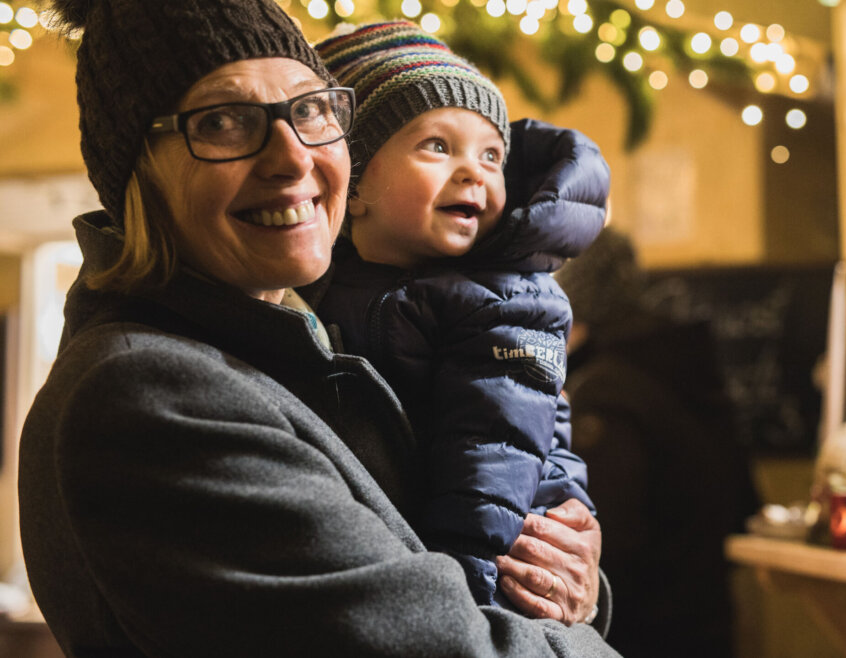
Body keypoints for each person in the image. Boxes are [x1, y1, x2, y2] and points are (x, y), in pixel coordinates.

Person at [18, 1, 616, 655]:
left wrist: (566, 582)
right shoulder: (148, 391)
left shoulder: (293, 339)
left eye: (309, 111)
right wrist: (567, 630)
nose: (293, 157)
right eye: (222, 121)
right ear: (138, 176)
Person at [312, 21, 608, 608]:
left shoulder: (508, 298)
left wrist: (465, 593)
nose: (475, 170)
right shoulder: (325, 280)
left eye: (492, 154)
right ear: (354, 180)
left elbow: (492, 454)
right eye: (438, 146)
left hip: (504, 554)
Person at [557, 227, 759, 657]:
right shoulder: (687, 367)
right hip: (708, 622)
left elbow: (608, 542)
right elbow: (742, 501)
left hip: (643, 634)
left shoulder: (605, 390)